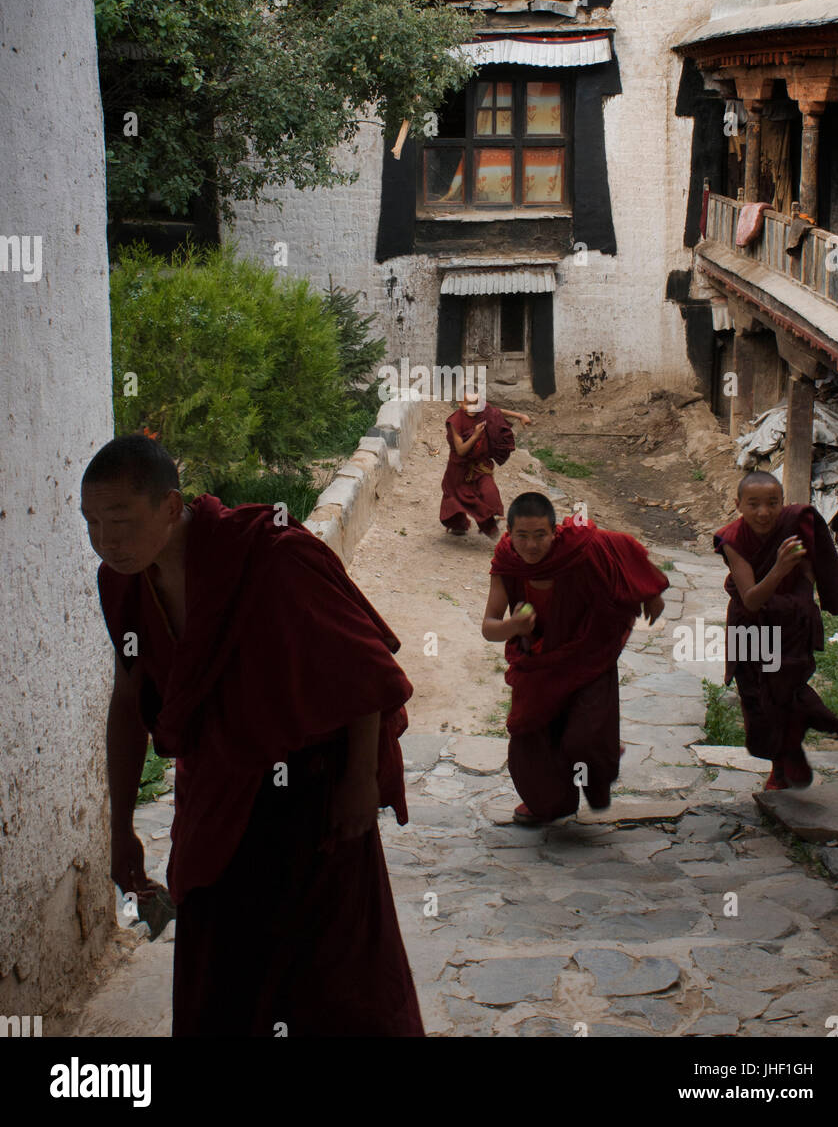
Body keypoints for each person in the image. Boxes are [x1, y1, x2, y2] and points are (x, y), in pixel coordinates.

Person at [81, 434, 424, 1038]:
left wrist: (358, 781)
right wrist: (118, 829)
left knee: (335, 988)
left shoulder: (269, 557)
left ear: (169, 506)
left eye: (120, 521)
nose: (106, 542)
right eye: (91, 524)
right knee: (221, 982)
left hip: (312, 798)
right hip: (217, 801)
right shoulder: (124, 584)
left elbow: (363, 671)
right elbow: (129, 700)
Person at [482, 492, 668, 823]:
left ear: (555, 532)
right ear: (509, 534)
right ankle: (550, 803)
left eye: (541, 535)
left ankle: (602, 758)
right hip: (538, 666)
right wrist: (512, 625)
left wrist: (650, 590)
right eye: (522, 536)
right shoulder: (507, 561)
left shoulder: (578, 546)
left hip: (587, 655)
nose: (532, 545)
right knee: (529, 737)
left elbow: (622, 546)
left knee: (585, 740)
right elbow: (489, 627)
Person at [713, 470, 838, 791]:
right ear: (738, 505)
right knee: (756, 697)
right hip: (749, 628)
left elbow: (808, 574)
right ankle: (783, 755)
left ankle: (784, 764)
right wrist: (778, 569)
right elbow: (750, 599)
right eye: (754, 504)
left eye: (772, 503)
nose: (764, 512)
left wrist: (800, 607)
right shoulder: (732, 540)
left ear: (782, 503)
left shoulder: (792, 527)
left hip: (787, 625)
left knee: (784, 693)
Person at [440, 394, 532, 541]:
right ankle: (458, 524)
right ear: (459, 403)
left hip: (480, 466)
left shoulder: (482, 410)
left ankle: (490, 521)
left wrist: (520, 416)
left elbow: (496, 412)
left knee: (489, 491)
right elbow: (461, 450)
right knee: (456, 500)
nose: (473, 407)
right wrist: (475, 435)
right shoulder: (455, 421)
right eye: (468, 403)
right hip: (458, 469)